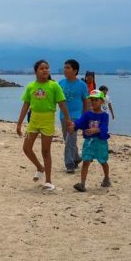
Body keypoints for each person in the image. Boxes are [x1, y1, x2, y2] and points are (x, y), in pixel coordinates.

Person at [16, 60, 74, 191]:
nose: (45, 70)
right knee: (26, 148)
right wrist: (19, 123)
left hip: (48, 119)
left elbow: (62, 104)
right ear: (36, 71)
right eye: (42, 68)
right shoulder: (31, 86)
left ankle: (48, 181)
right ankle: (39, 167)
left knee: (45, 151)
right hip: (34, 119)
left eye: (47, 68)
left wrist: (68, 120)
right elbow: (25, 105)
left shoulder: (54, 86)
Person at [72, 90, 112, 192]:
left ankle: (106, 178)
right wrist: (74, 125)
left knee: (103, 161)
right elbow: (80, 122)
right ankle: (82, 183)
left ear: (102, 101)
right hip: (89, 142)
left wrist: (96, 129)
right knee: (86, 161)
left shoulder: (104, 115)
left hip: (100, 142)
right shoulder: (87, 114)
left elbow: (104, 127)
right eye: (92, 100)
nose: (93, 102)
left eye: (96, 100)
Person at [59, 59, 89, 174]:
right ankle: (76, 158)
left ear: (75, 70)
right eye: (64, 67)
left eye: (68, 68)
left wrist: (86, 117)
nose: (65, 70)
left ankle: (70, 164)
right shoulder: (60, 83)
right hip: (63, 116)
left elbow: (86, 102)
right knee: (68, 140)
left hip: (76, 117)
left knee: (70, 140)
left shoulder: (82, 85)